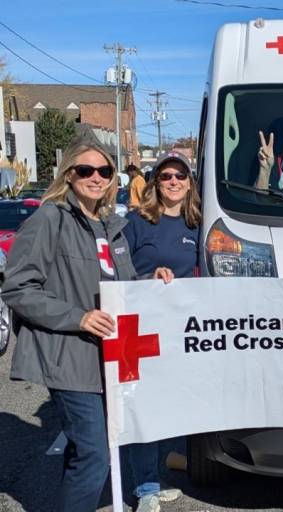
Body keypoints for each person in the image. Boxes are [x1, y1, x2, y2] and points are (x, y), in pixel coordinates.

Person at [1, 138, 173, 512]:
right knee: (96, 454)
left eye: (105, 171)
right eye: (86, 170)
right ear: (69, 175)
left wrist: (149, 280)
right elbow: (17, 288)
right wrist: (77, 317)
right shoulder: (51, 218)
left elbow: (118, 286)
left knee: (84, 451)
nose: (96, 178)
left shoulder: (111, 225)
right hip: (67, 357)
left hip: (106, 358)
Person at [121, 150, 200, 511]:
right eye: (165, 176)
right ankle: (145, 488)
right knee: (143, 409)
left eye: (180, 176)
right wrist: (145, 279)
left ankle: (155, 476)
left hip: (180, 332)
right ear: (155, 182)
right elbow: (116, 273)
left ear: (189, 182)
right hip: (141, 328)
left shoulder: (197, 224)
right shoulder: (138, 222)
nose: (173, 182)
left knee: (170, 408)